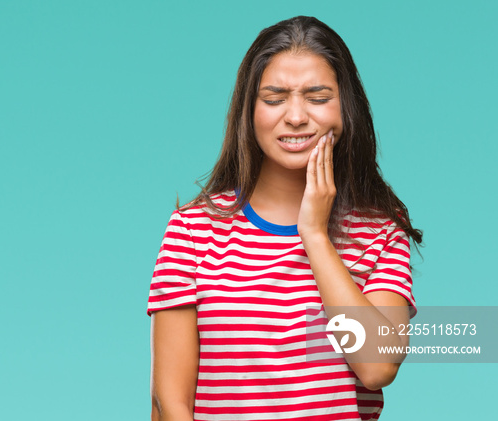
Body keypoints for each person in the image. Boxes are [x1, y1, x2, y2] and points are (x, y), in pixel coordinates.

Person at [147, 16, 423, 421]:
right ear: (249, 111)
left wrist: (314, 234)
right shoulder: (192, 230)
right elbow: (169, 403)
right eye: (275, 98)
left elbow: (377, 366)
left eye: (317, 96)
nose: (295, 117)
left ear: (346, 107)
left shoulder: (380, 230)